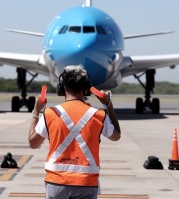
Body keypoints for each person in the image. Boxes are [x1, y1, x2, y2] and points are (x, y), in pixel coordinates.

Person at [28, 65, 121, 199]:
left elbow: (33, 143)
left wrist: (36, 111)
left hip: (56, 181)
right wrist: (108, 104)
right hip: (86, 183)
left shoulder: (50, 113)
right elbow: (116, 136)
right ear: (86, 88)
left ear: (62, 87)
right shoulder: (98, 115)